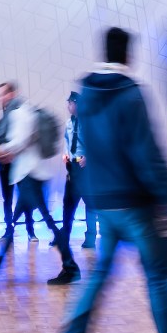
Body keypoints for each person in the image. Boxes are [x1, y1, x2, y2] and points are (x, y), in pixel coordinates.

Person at [57, 27, 167, 333]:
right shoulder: (131, 93)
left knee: (101, 273)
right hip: (133, 204)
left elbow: (88, 146)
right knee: (158, 278)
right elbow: (145, 153)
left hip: (104, 201)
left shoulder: (87, 95)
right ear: (129, 54)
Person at [0, 81, 80, 285]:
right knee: (18, 220)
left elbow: (19, 141)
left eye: (2, 95)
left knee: (47, 222)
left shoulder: (19, 113)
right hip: (33, 174)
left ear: (12, 94)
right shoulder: (28, 111)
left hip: (29, 176)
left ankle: (70, 266)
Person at [0, 92, 37, 242]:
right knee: (8, 199)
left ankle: (30, 230)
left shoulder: (19, 124)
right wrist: (2, 158)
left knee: (24, 198)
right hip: (5, 169)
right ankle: (9, 230)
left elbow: (25, 143)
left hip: (19, 167)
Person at [62, 92, 97, 249]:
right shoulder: (69, 123)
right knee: (68, 203)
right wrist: (65, 157)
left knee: (89, 203)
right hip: (73, 166)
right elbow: (66, 141)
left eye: (70, 103)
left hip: (86, 168)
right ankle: (64, 236)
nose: (68, 106)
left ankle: (90, 237)